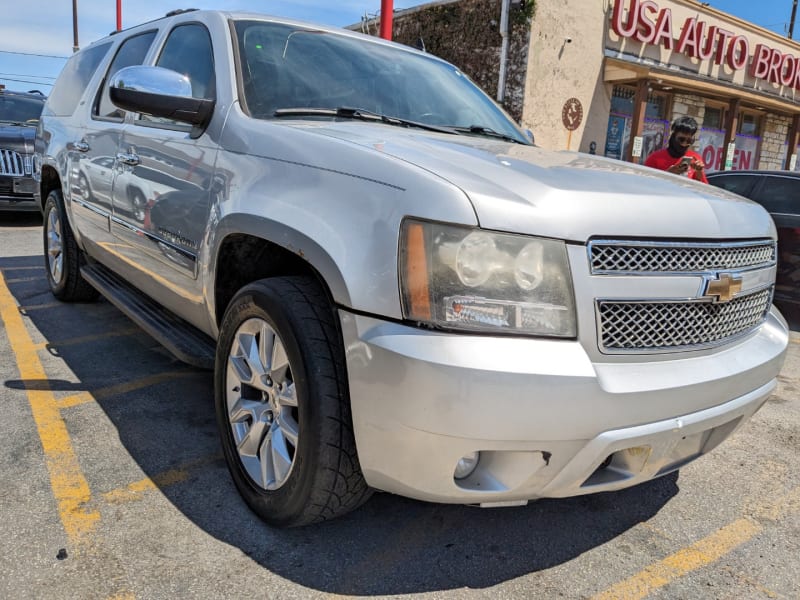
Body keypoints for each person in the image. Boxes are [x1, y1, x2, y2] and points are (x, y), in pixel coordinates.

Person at [644, 116, 708, 183]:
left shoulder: (695, 159)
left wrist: (699, 173)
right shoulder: (655, 158)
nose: (684, 144)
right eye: (681, 139)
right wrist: (668, 173)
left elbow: (704, 190)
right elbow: (645, 184)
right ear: (673, 136)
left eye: (689, 141)